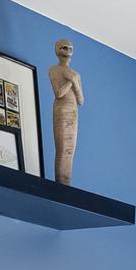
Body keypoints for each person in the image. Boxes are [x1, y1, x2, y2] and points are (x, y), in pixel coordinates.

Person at [49, 39, 84, 184]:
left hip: (73, 112)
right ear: (57, 50)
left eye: (70, 48)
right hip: (62, 111)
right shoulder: (54, 70)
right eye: (64, 48)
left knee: (70, 150)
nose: (67, 51)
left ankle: (67, 182)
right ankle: (60, 182)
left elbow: (81, 100)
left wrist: (74, 81)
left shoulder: (75, 74)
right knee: (62, 148)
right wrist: (71, 81)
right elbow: (59, 93)